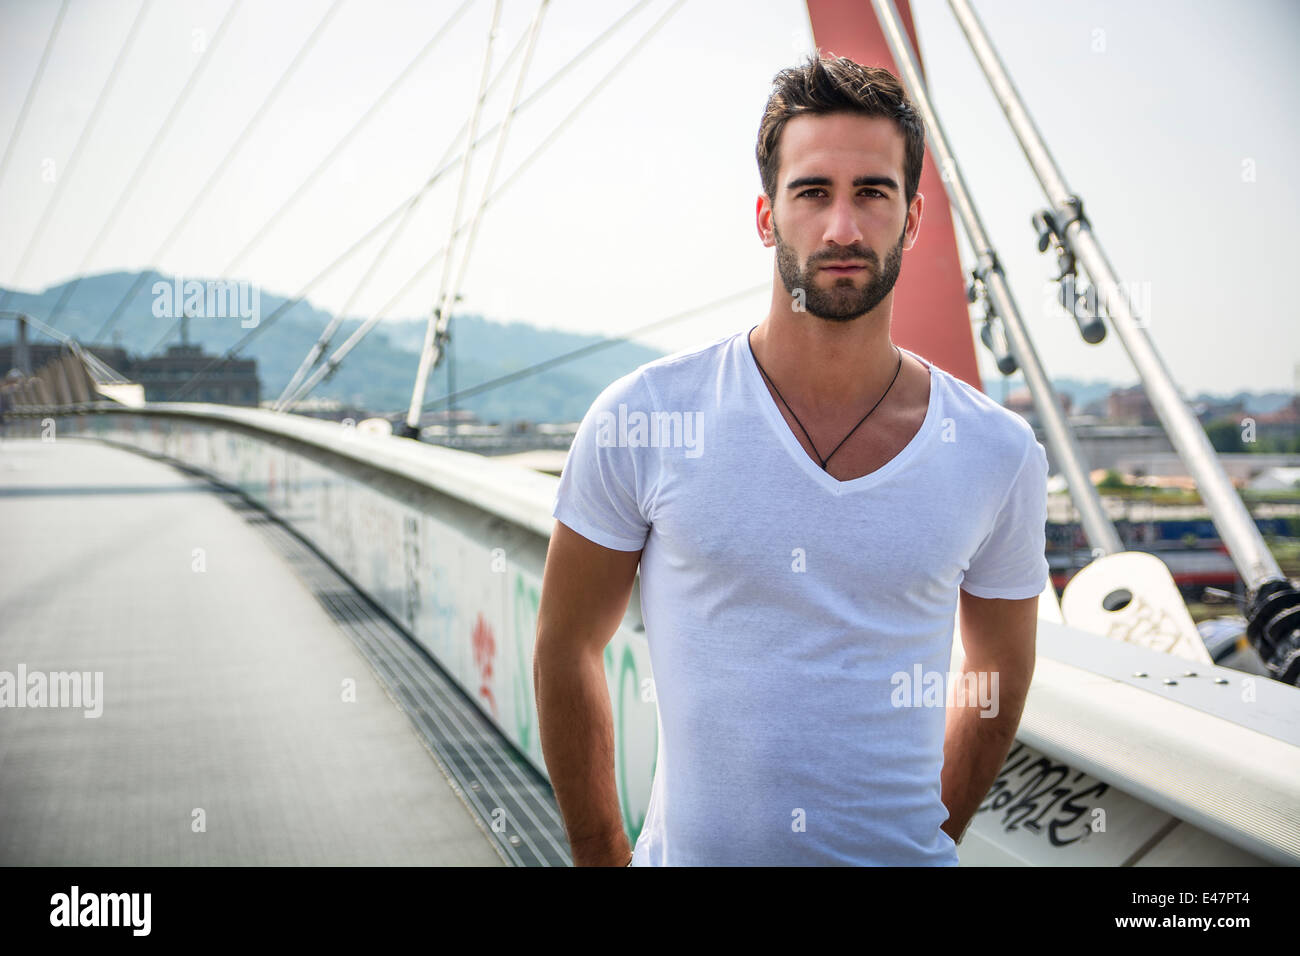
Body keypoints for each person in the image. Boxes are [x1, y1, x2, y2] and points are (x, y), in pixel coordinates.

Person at [533, 54, 1049, 866]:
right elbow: (567, 646)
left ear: (912, 220)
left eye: (872, 193)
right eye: (813, 193)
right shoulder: (646, 417)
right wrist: (602, 855)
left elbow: (998, 666)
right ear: (769, 217)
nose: (842, 228)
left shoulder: (998, 452)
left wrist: (922, 841)